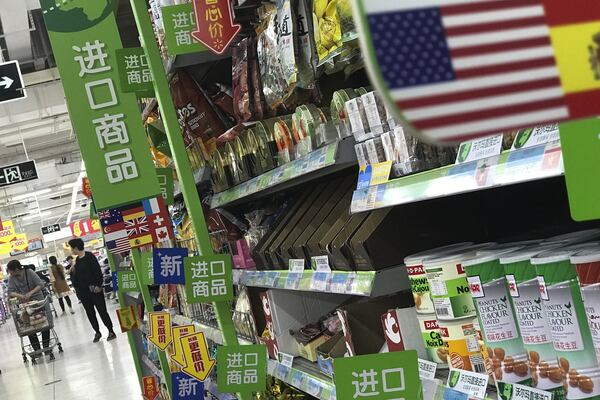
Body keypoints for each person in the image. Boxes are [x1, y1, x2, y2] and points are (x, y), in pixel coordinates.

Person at [68, 238, 116, 342]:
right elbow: (78, 277)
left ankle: (111, 330)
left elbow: (97, 272)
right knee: (90, 313)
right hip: (84, 292)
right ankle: (97, 332)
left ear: (76, 247)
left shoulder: (90, 256)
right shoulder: (77, 260)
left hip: (95, 290)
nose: (71, 250)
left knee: (102, 311)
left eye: (71, 248)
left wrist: (98, 285)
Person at [6, 260, 51, 356]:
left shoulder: (29, 272)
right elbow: (10, 292)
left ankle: (46, 347)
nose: (10, 273)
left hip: (38, 301)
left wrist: (30, 293)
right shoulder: (12, 278)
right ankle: (36, 349)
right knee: (28, 326)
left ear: (17, 269)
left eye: (11, 271)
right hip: (24, 304)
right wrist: (21, 296)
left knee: (43, 323)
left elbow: (40, 284)